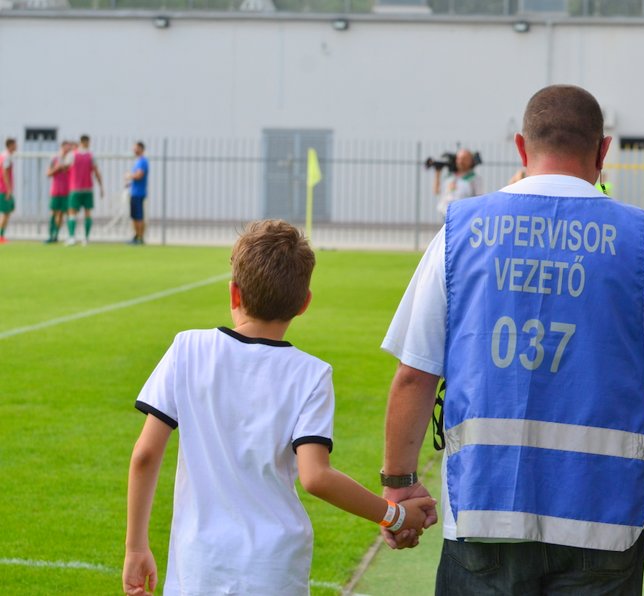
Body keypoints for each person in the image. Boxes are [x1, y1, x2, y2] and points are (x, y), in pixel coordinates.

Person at [381, 85, 644, 593]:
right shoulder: (641, 242)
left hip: (484, 507)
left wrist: (399, 486)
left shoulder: (460, 231)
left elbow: (414, 375)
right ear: (603, 151)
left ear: (521, 148)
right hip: (604, 517)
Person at [123, 220, 433, 595]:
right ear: (304, 304)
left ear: (234, 293)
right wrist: (394, 515)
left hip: (198, 565)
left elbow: (144, 455)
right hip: (274, 569)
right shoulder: (312, 375)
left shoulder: (186, 349)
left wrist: (136, 546)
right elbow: (315, 477)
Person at [66, 134, 104, 246]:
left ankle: (72, 237)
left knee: (72, 212)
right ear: (87, 142)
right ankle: (85, 238)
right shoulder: (91, 156)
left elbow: (65, 167)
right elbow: (96, 172)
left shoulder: (72, 155)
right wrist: (101, 186)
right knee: (87, 213)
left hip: (76, 189)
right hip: (87, 188)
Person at [434, 148, 481, 218]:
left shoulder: (474, 178)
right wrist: (437, 172)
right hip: (446, 213)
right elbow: (437, 191)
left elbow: (479, 198)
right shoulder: (449, 176)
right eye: (459, 159)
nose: (461, 161)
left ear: (471, 161)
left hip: (463, 215)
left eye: (464, 159)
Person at [45, 140, 72, 243]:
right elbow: (48, 173)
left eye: (69, 148)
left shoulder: (71, 159)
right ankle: (52, 235)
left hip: (68, 191)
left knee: (67, 213)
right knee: (55, 213)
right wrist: (57, 168)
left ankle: (70, 236)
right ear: (62, 147)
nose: (68, 150)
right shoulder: (55, 159)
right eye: (66, 147)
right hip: (56, 190)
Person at [125, 141, 149, 245]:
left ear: (141, 149)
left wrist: (129, 175)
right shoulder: (138, 161)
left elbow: (139, 175)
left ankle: (140, 237)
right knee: (134, 216)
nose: (134, 150)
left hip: (139, 194)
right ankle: (136, 236)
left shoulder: (143, 161)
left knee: (139, 216)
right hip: (134, 192)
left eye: (135, 148)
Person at [0, 137, 17, 243]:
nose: (17, 146)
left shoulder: (3, 155)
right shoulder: (6, 157)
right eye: (15, 144)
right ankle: (1, 235)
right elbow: (5, 173)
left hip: (3, 188)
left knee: (7, 212)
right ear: (10, 145)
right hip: (4, 189)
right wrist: (8, 189)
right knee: (6, 212)